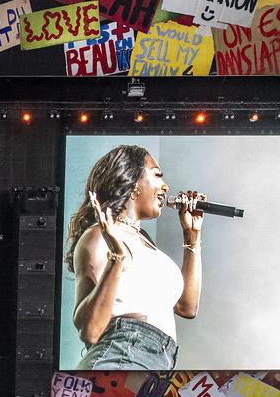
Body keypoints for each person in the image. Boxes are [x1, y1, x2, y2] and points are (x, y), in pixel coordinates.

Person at [67, 145, 206, 370]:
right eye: (157, 175)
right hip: (121, 357)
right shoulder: (98, 236)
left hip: (160, 361)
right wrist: (117, 258)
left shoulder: (146, 243)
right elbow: (91, 331)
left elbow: (186, 307)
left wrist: (192, 237)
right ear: (132, 183)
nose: (165, 185)